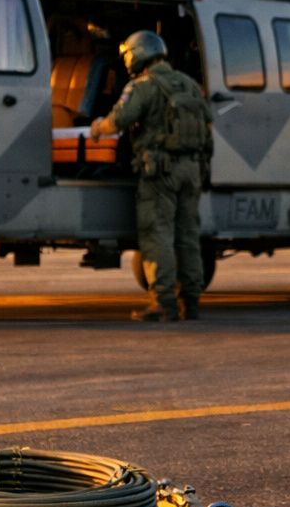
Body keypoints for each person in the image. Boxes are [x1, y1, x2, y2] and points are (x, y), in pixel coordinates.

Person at [90, 31, 213, 322]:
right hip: (191, 170)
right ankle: (191, 303)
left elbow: (119, 120)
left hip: (160, 172)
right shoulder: (190, 85)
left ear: (136, 55)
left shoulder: (143, 86)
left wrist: (97, 128)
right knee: (188, 236)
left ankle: (164, 302)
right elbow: (207, 130)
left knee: (157, 234)